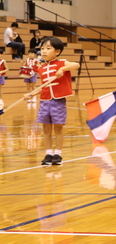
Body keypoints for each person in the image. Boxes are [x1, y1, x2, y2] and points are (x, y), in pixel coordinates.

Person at [26, 37, 80, 166]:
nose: (44, 51)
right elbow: (43, 86)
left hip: (58, 100)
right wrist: (31, 94)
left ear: (57, 51)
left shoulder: (62, 63)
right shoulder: (42, 68)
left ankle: (58, 154)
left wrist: (62, 69)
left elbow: (76, 65)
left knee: (58, 127)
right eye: (42, 48)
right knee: (46, 128)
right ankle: (48, 153)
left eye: (48, 48)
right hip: (45, 100)